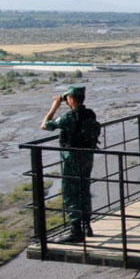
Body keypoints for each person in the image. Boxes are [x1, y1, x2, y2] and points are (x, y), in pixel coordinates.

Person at [41, 85, 100, 242]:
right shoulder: (90, 114)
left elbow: (45, 125)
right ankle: (87, 225)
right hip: (87, 157)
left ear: (72, 99)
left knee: (71, 192)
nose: (66, 101)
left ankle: (76, 230)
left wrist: (55, 106)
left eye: (67, 98)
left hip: (72, 159)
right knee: (84, 189)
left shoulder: (68, 117)